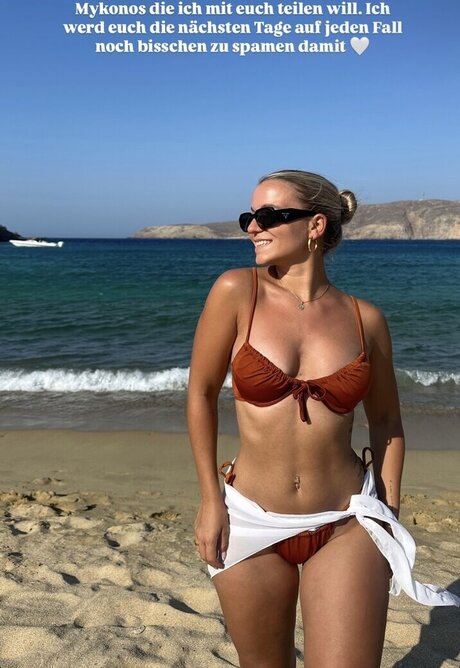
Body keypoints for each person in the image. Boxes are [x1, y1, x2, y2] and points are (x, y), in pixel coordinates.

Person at [187, 170, 459, 668]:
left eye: (269, 216)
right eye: (250, 216)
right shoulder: (236, 291)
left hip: (346, 522)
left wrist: (389, 512)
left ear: (315, 225)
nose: (253, 227)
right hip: (249, 519)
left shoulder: (365, 319)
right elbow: (201, 395)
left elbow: (387, 421)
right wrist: (210, 500)